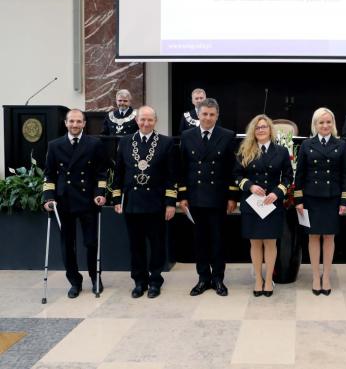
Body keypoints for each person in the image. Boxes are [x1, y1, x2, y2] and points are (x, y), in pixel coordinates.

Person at [112, 106, 177, 299]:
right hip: (132, 202)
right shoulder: (125, 142)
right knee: (136, 245)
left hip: (156, 203)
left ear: (155, 121)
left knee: (157, 245)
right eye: (142, 119)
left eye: (150, 120)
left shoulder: (166, 143)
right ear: (136, 120)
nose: (146, 123)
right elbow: (119, 172)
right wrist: (116, 198)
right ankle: (139, 282)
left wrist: (170, 203)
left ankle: (155, 281)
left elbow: (172, 175)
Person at [43, 109, 108, 298]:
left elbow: (101, 173)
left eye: (79, 121)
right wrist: (49, 197)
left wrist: (100, 193)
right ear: (65, 123)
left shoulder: (94, 144)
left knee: (91, 243)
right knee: (67, 245)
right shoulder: (54, 145)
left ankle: (95, 277)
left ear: (84, 124)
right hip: (64, 201)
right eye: (71, 121)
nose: (75, 125)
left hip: (88, 200)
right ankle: (74, 281)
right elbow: (49, 175)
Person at [178, 98, 237, 297]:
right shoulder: (187, 136)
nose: (208, 118)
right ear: (198, 115)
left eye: (212, 114)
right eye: (204, 114)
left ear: (217, 116)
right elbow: (183, 168)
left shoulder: (227, 135)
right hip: (195, 197)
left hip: (218, 197)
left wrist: (232, 196)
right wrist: (183, 195)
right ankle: (203, 278)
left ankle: (218, 278)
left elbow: (232, 169)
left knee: (218, 240)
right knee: (200, 241)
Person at [232, 114, 293, 297]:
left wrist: (277, 193)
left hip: (272, 204)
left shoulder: (281, 151)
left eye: (264, 127)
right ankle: (258, 279)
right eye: (257, 127)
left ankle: (268, 281)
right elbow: (236, 175)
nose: (261, 130)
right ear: (253, 130)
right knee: (255, 242)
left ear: (270, 129)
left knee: (271, 242)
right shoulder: (244, 150)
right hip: (252, 204)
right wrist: (250, 186)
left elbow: (288, 177)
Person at [294, 108, 346, 295]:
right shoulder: (306, 144)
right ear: (315, 124)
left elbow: (345, 174)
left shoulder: (341, 144)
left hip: (332, 197)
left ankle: (326, 276)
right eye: (321, 122)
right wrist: (298, 199)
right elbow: (299, 175)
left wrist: (344, 200)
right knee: (313, 236)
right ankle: (315, 276)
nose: (325, 126)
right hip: (311, 197)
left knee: (329, 237)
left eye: (328, 122)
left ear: (333, 124)